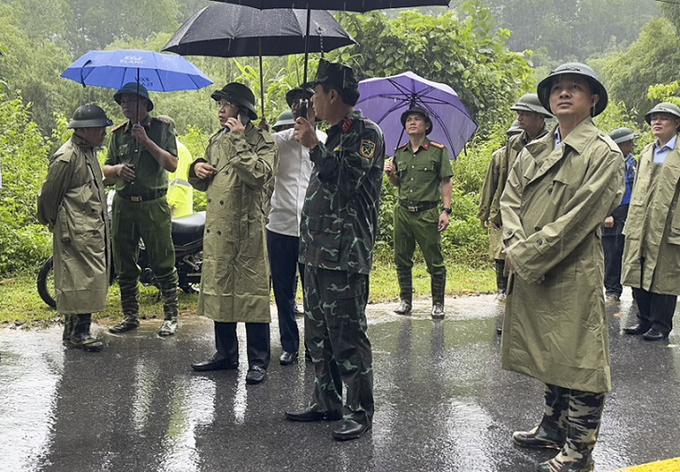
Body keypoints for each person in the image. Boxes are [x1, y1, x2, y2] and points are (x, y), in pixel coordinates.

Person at [500, 63, 624, 472]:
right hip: (529, 263)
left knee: (581, 359)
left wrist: (528, 256)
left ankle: (579, 450)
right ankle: (552, 427)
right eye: (558, 88)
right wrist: (517, 248)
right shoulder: (533, 148)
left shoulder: (603, 153)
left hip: (572, 269)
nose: (564, 93)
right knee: (547, 348)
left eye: (575, 88)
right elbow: (510, 200)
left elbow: (580, 217)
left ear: (593, 101)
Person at [285, 59, 384, 441]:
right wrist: (314, 138)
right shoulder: (333, 133)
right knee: (319, 335)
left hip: (344, 254)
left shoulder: (365, 133)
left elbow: (345, 182)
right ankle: (326, 401)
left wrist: (314, 146)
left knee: (348, 336)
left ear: (332, 95)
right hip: (315, 252)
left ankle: (360, 411)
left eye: (316, 93)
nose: (312, 100)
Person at [189, 82, 277, 385]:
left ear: (241, 108)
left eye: (226, 104)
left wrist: (240, 140)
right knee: (221, 290)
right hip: (218, 229)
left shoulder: (263, 140)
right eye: (219, 104)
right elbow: (206, 178)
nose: (220, 109)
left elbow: (258, 176)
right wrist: (197, 168)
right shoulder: (217, 140)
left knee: (252, 295)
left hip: (247, 228)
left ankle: (258, 361)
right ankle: (225, 354)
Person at [103, 83, 180, 337]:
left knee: (162, 260)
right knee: (124, 261)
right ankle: (130, 315)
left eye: (129, 100)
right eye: (122, 101)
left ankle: (171, 316)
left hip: (153, 203)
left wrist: (146, 141)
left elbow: (171, 164)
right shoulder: (117, 134)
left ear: (144, 104)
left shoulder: (162, 128)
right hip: (124, 203)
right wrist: (116, 170)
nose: (124, 105)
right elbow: (105, 170)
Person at [37, 104, 113, 352]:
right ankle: (79, 333)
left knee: (84, 280)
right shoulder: (67, 157)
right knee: (80, 281)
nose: (104, 132)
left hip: (89, 230)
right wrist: (53, 223)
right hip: (76, 232)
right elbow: (49, 195)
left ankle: (73, 332)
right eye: (100, 128)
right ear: (84, 130)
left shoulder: (88, 152)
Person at [268, 84, 327, 366]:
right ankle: (289, 344)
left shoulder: (326, 140)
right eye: (295, 104)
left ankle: (314, 346)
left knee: (313, 290)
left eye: (305, 103)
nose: (299, 108)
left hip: (312, 228)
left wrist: (312, 140)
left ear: (316, 108)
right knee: (282, 289)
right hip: (279, 225)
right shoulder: (278, 141)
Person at [479, 94, 552, 301]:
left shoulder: (553, 144)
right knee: (509, 258)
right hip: (513, 210)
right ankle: (512, 316)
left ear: (540, 117)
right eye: (518, 113)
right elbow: (504, 181)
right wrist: (493, 213)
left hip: (539, 213)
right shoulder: (513, 144)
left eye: (525, 113)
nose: (520, 117)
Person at [384, 106, 453, 319]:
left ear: (426, 125)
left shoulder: (437, 151)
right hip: (403, 212)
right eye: (409, 120)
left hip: (427, 213)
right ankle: (405, 301)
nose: (412, 122)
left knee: (434, 260)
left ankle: (438, 303)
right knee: (402, 258)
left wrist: (446, 210)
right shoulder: (399, 152)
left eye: (417, 119)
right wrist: (390, 175)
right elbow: (398, 183)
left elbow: (445, 181)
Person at [622, 103, 680, 341]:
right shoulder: (647, 152)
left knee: (665, 273)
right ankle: (643, 319)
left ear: (676, 123)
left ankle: (661, 325)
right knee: (638, 267)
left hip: (669, 221)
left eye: (664, 118)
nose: (657, 122)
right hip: (641, 220)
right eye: (654, 118)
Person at [477, 119, 527, 300]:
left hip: (525, 211)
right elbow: (489, 186)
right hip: (500, 212)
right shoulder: (499, 156)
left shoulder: (532, 156)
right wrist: (484, 213)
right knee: (499, 251)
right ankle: (502, 288)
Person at [603, 127, 637, 302]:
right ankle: (612, 290)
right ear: (620, 144)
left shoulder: (633, 163)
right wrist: (606, 214)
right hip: (613, 213)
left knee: (631, 252)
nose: (632, 145)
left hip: (630, 212)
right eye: (629, 142)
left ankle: (636, 294)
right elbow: (602, 190)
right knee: (612, 253)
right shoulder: (607, 162)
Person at [159, 115, 194, 218]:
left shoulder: (180, 151)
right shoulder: (162, 152)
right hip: (166, 209)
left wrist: (168, 206)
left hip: (178, 213)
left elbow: (181, 184)